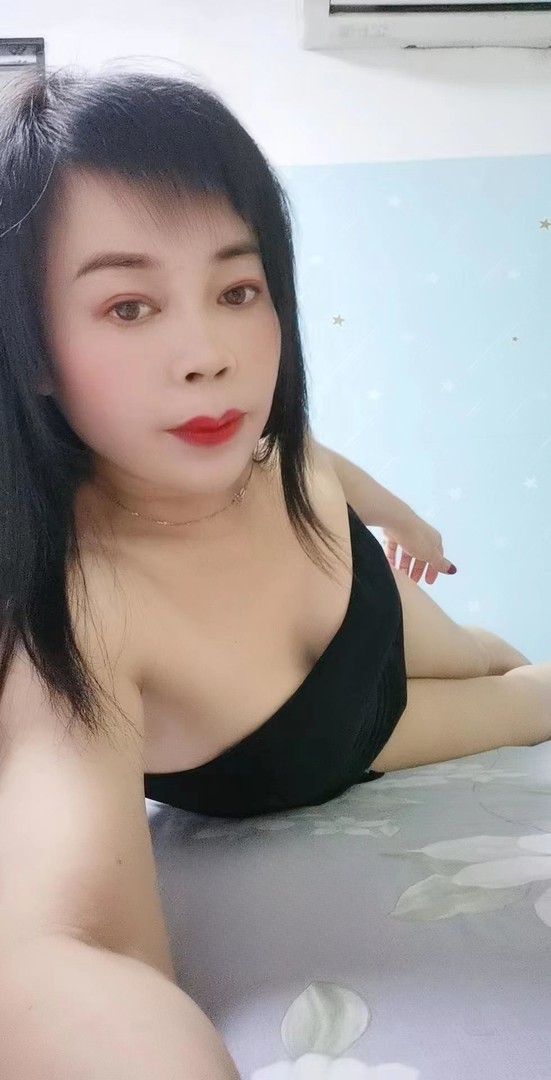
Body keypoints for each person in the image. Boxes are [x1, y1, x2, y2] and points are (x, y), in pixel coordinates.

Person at [0, 65, 549, 1080]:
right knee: (531, 701)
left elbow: (315, 458)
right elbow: (63, 948)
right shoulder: (74, 614)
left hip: (368, 602)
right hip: (338, 741)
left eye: (237, 290)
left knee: (487, 652)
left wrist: (406, 520)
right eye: (129, 306)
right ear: (32, 348)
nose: (207, 353)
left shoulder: (255, 450)